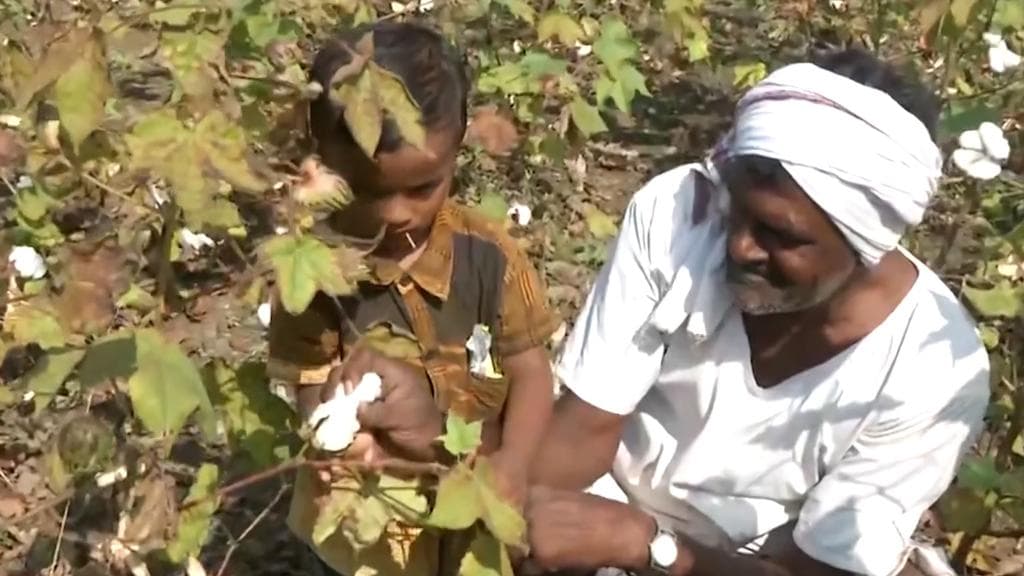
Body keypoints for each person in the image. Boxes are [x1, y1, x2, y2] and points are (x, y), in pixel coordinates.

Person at [521, 47, 991, 576]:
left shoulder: (935, 371)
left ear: (867, 241)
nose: (741, 247)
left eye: (779, 234)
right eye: (736, 209)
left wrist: (648, 547)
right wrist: (518, 534)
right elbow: (585, 427)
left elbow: (821, 571)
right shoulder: (681, 215)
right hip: (601, 510)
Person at [266, 20, 559, 576]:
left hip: (473, 479)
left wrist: (514, 467)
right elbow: (308, 380)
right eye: (369, 190)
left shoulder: (492, 257)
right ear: (322, 164)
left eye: (423, 188)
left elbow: (531, 372)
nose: (396, 213)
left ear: (455, 154)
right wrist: (334, 437)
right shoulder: (312, 275)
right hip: (374, 504)